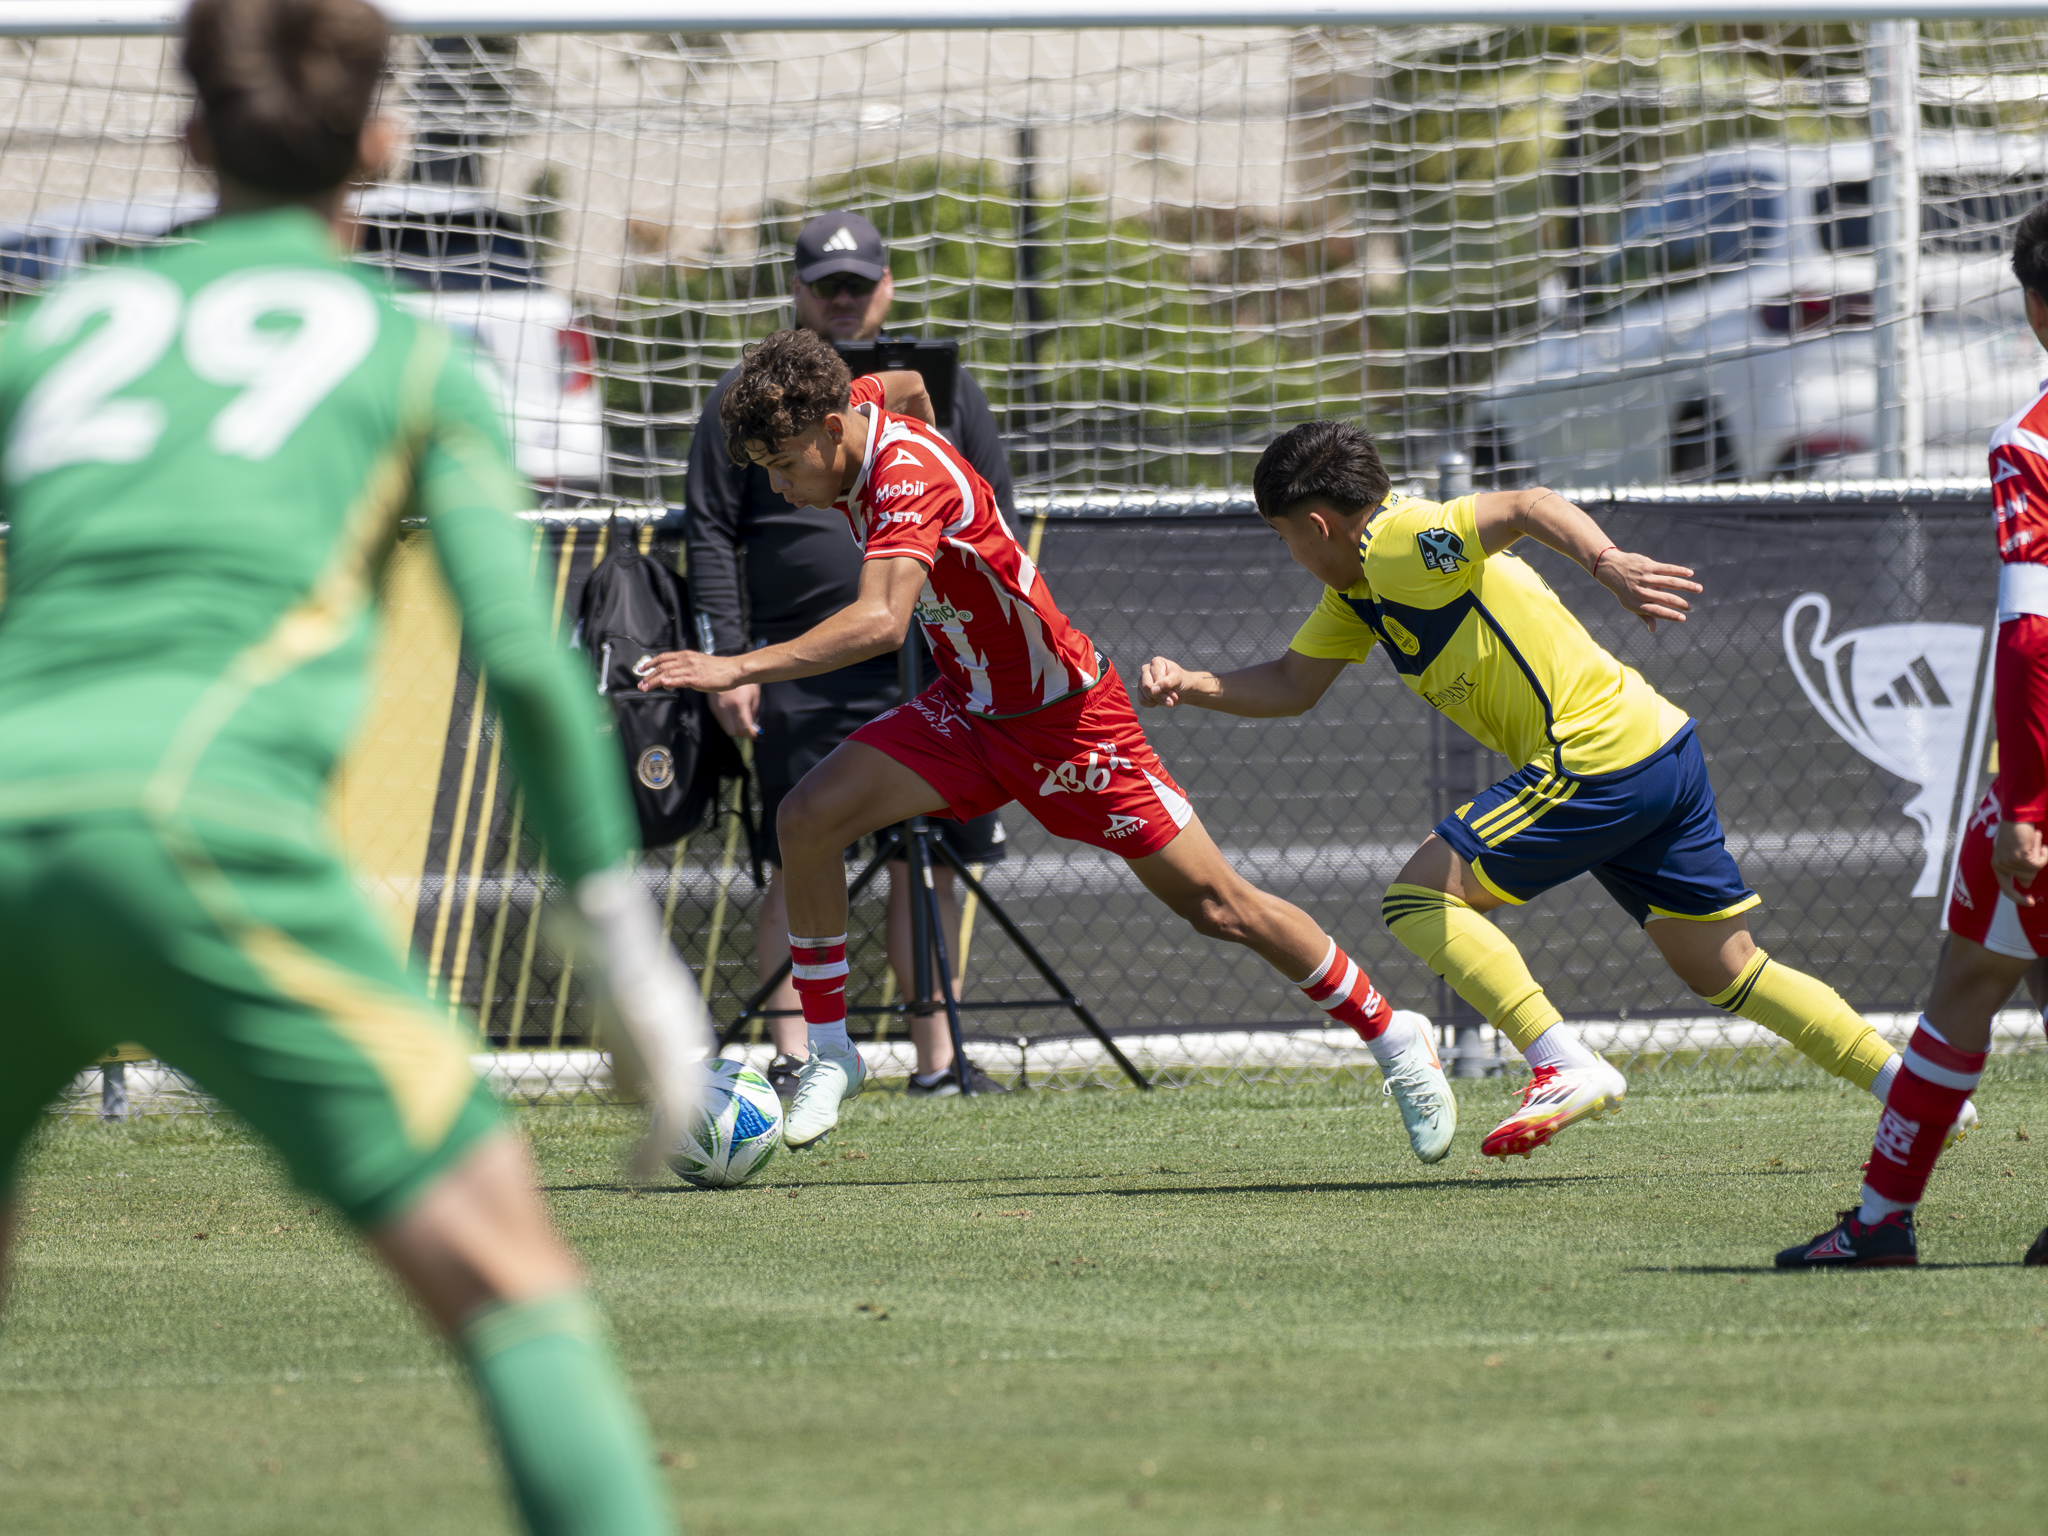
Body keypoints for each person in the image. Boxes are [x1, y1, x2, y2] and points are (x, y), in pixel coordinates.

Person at [0, 4, 706, 1533]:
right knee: (510, 1272)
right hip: (188, 837)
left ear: (188, 140)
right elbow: (523, 664)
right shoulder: (403, 357)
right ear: (380, 144)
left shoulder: (49, 333)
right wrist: (626, 956)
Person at [640, 331, 1454, 1156]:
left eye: (783, 465)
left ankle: (1396, 1038)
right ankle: (831, 1054)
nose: (779, 489)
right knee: (807, 816)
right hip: (967, 709)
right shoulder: (864, 410)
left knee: (1220, 907)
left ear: (830, 423)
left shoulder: (904, 481)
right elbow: (913, 383)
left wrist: (733, 665)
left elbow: (883, 623)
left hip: (1068, 723)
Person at [1137, 421, 1977, 1161]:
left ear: (1317, 524)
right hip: (1657, 744)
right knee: (1726, 968)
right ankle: (1911, 1089)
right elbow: (1291, 682)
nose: (1291, 555)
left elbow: (1528, 505)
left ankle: (1558, 1060)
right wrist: (1192, 682)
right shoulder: (1356, 594)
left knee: (1418, 903)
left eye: (1285, 537)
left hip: (1595, 757)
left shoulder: (1401, 542)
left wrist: (1607, 562)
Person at [1777, 200, 2048, 1269]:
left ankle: (1878, 1223)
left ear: (2033, 308)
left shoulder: (2029, 445)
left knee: (1962, 988)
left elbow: (2031, 637)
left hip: (2045, 771)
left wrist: (2023, 810)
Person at [686, 210, 1010, 1100]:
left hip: (931, 662)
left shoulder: (920, 389)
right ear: (796, 290)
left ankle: (937, 1060)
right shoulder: (746, 401)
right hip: (797, 663)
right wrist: (735, 658)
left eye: (857, 286)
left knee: (931, 858)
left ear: (886, 288)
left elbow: (989, 507)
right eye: (825, 286)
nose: (841, 300)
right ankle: (799, 1057)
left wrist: (972, 639)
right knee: (799, 835)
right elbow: (710, 531)